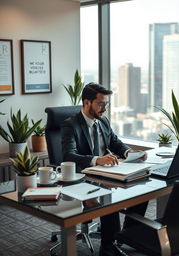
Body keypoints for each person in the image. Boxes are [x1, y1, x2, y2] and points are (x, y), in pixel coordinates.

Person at [61, 82, 148, 256]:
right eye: (101, 104)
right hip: (83, 177)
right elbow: (68, 156)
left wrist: (130, 152)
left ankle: (126, 236)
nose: (104, 109)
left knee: (141, 190)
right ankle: (108, 247)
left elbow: (114, 142)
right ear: (86, 103)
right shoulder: (71, 125)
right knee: (111, 199)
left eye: (106, 105)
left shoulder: (103, 121)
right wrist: (97, 160)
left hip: (106, 173)